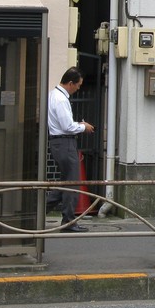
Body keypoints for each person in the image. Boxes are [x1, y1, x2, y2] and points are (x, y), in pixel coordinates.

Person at [45, 67, 94, 232]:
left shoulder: (53, 95)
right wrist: (83, 126)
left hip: (58, 142)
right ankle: (68, 221)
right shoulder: (61, 99)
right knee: (73, 183)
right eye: (78, 85)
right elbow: (67, 126)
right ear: (71, 83)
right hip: (64, 142)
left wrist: (78, 125)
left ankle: (37, 212)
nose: (78, 88)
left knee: (66, 182)